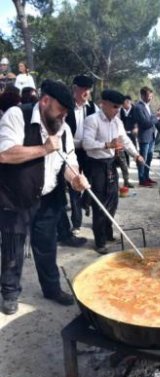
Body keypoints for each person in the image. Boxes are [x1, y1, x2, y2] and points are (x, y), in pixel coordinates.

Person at [0, 79, 89, 315]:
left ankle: (51, 289)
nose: (63, 116)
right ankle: (9, 292)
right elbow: (4, 155)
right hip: (16, 196)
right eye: (61, 109)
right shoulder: (16, 115)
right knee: (13, 247)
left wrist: (76, 180)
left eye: (67, 112)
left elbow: (69, 163)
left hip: (49, 197)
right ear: (45, 101)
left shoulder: (64, 128)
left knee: (47, 246)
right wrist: (43, 149)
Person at [83, 89, 144, 254]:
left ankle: (108, 233)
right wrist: (106, 145)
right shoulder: (92, 120)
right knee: (100, 204)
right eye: (115, 107)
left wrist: (137, 155)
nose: (117, 110)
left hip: (110, 164)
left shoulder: (118, 122)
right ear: (104, 104)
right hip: (96, 166)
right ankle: (100, 241)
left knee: (112, 201)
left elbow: (125, 141)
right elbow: (87, 143)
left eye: (119, 107)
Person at [64, 74, 98, 233]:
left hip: (89, 152)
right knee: (74, 186)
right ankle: (76, 223)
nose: (87, 93)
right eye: (84, 90)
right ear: (75, 89)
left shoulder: (93, 108)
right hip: (72, 152)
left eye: (89, 90)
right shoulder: (66, 107)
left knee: (91, 182)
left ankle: (86, 202)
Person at [133, 86, 160, 187]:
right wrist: (157, 117)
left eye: (151, 96)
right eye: (148, 96)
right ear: (142, 95)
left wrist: (156, 116)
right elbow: (145, 123)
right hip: (144, 137)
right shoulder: (138, 107)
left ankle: (146, 177)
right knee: (143, 159)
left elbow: (151, 119)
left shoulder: (147, 106)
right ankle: (141, 179)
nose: (150, 98)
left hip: (151, 137)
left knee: (149, 159)